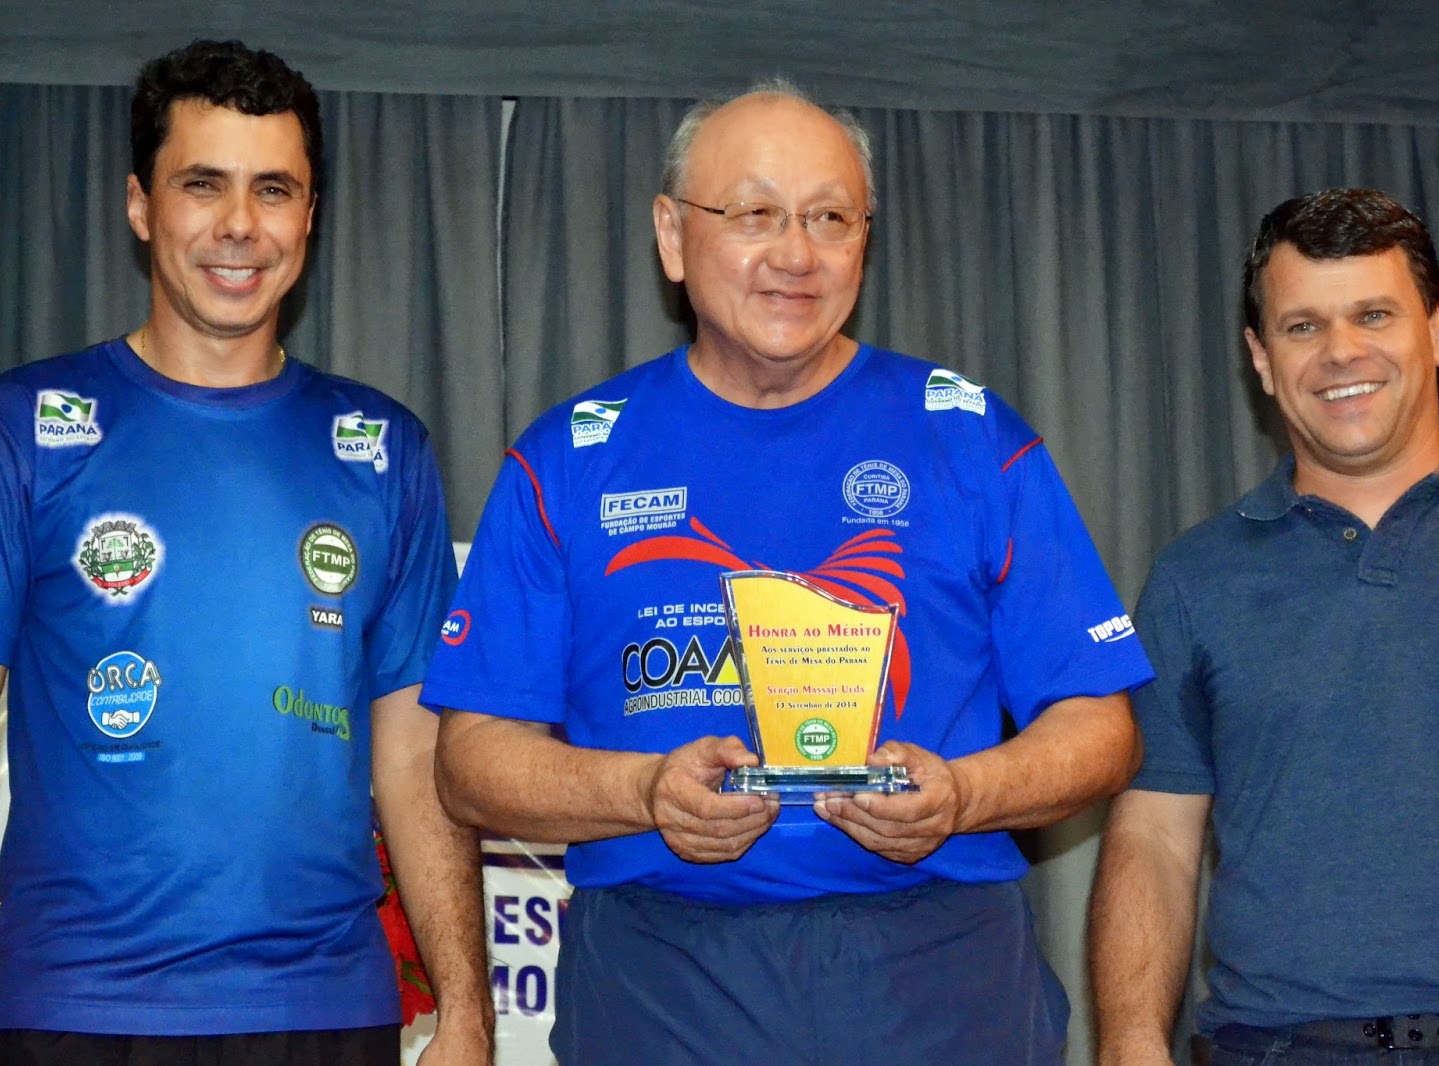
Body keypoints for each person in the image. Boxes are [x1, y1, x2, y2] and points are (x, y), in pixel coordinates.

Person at [423, 79, 1153, 1063]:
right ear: (673, 235)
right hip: (660, 977)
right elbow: (471, 760)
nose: (796, 254)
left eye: (829, 218)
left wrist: (965, 793)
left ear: (865, 243)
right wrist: (645, 791)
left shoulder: (972, 439)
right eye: (754, 214)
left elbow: (1102, 727)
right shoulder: (568, 459)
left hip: (937, 969)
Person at [0, 39, 492, 1065]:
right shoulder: (23, 428)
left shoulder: (383, 449)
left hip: (325, 1007)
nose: (239, 225)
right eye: (202, 184)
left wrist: (468, 1010)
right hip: (79, 1008)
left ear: (309, 216)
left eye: (273, 190)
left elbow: (413, 757)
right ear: (140, 206)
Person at [1089, 187, 1439, 1065]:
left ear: (1437, 329)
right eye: (1303, 326)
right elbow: (1155, 836)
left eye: (1374, 314)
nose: (1341, 351)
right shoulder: (1194, 579)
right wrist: (1131, 1045)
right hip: (1280, 1046)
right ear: (1261, 357)